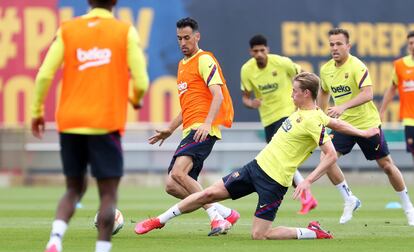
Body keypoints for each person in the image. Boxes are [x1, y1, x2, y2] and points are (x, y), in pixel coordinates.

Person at [134, 72, 380, 239]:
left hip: (274, 183)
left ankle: (312, 232)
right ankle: (159, 220)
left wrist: (307, 181)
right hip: (255, 167)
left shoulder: (313, 121)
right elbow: (337, 125)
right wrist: (363, 132)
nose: (291, 94)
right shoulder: (313, 114)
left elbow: (330, 156)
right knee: (207, 193)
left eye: (295, 91)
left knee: (259, 235)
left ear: (306, 93)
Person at [31, 0, 149, 252]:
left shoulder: (68, 29)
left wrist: (37, 111)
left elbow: (44, 75)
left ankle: (55, 239)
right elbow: (141, 79)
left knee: (73, 188)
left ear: (88, 1)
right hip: (105, 123)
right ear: (115, 2)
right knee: (108, 193)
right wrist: (136, 98)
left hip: (71, 122)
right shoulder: (124, 31)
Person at [135, 17, 238, 236]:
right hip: (190, 129)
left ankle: (216, 219)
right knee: (172, 186)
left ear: (197, 37)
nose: (183, 42)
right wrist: (170, 129)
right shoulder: (182, 65)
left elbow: (218, 95)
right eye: (179, 39)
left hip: (203, 129)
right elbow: (187, 107)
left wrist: (208, 123)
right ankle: (225, 212)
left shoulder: (204, 60)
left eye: (187, 38)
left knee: (178, 173)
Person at [318, 28, 414, 225]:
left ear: (348, 46)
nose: (334, 48)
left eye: (339, 44)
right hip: (343, 125)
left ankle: (408, 207)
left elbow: (368, 94)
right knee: (326, 159)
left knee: (386, 165)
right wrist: (319, 116)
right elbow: (324, 95)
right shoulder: (326, 69)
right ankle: (349, 199)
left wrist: (342, 106)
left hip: (367, 124)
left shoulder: (357, 66)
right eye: (331, 44)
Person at [240, 34, 317, 214]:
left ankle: (306, 197)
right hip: (267, 118)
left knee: (282, 158)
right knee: (281, 160)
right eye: (255, 51)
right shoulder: (247, 70)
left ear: (267, 49)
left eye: (262, 50)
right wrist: (251, 103)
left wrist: (300, 95)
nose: (259, 54)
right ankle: (307, 197)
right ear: (250, 52)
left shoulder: (281, 63)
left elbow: (304, 75)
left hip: (286, 113)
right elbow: (245, 97)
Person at [380, 31, 414, 164]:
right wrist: (382, 111)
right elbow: (392, 88)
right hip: (410, 118)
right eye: (411, 43)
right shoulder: (400, 65)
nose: (413, 46)